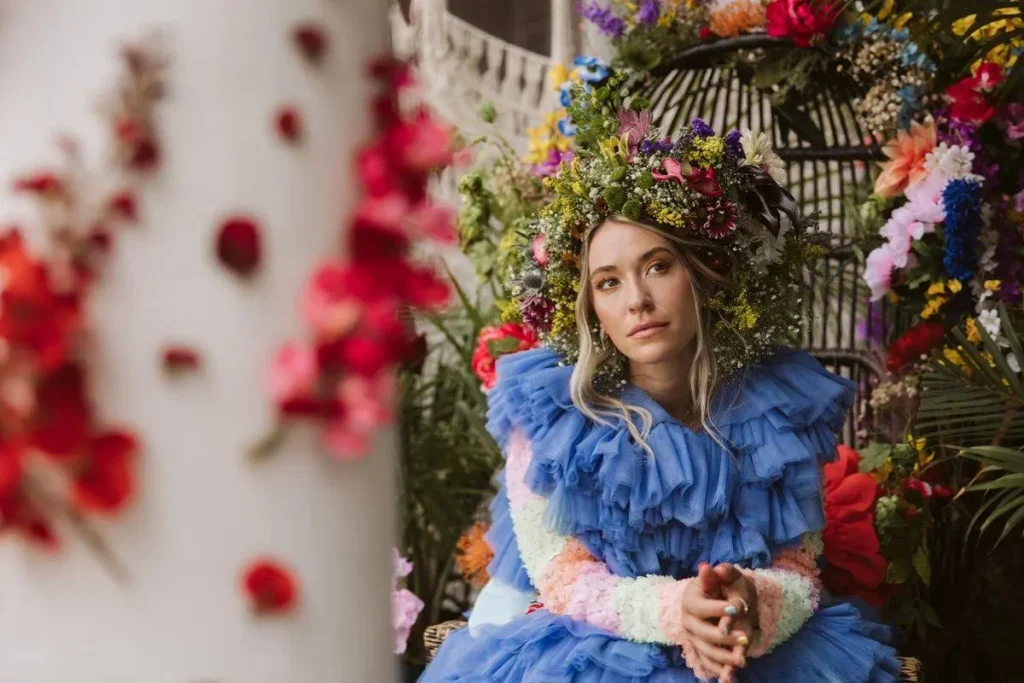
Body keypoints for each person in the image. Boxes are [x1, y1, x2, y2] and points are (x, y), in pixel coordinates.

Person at [420, 99, 900, 682]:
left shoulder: (776, 409)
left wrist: (748, 603)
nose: (636, 301)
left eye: (657, 266)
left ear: (701, 272)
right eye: (608, 282)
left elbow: (799, 570)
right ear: (591, 306)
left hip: (744, 647)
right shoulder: (552, 412)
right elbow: (563, 576)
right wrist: (677, 612)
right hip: (596, 643)